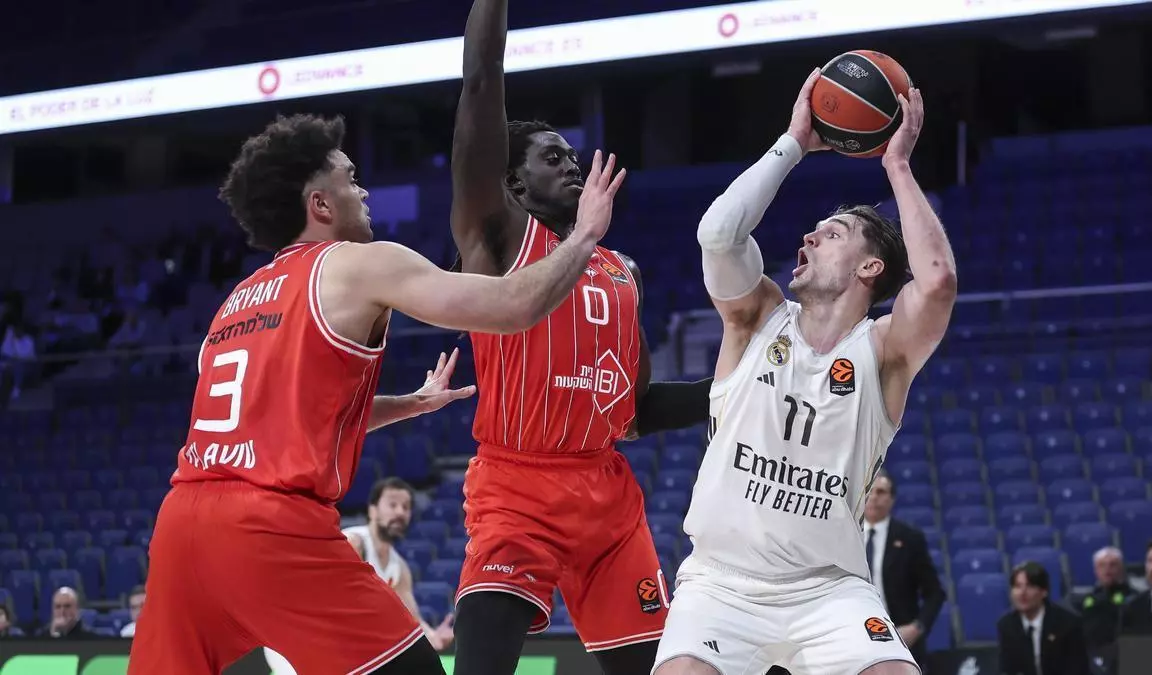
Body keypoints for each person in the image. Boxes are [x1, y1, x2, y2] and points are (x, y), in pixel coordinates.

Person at [127, 113, 628, 675]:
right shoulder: (359, 264)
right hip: (271, 527)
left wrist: (410, 404)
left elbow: (285, 420)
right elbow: (514, 307)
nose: (363, 191)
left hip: (181, 527)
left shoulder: (236, 301)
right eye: (351, 178)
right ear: (321, 205)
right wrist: (585, 234)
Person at [653, 69, 955, 675]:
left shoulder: (884, 351)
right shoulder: (756, 317)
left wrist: (897, 166)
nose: (810, 237)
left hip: (829, 589)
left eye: (832, 234)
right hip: (721, 584)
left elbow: (938, 281)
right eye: (814, 231)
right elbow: (718, 234)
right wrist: (794, 143)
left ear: (870, 267)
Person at [447, 2, 713, 674]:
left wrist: (737, 390)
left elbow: (635, 412)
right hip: (516, 489)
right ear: (513, 182)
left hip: (606, 498)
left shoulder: (623, 270)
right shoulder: (498, 238)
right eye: (552, 157)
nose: (573, 164)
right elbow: (480, 81)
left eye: (574, 154)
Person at [263, 475, 457, 673]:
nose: (400, 512)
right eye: (393, 505)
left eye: (406, 507)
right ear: (372, 510)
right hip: (295, 635)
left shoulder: (399, 567)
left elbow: (413, 618)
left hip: (327, 643)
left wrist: (433, 637)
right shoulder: (352, 543)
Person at [862, 470, 946, 668]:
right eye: (869, 491)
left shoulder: (910, 538)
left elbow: (935, 593)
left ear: (892, 499)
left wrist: (917, 627)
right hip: (856, 636)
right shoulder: (847, 535)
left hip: (900, 638)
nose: (873, 497)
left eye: (881, 492)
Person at [997, 562, 1089, 675]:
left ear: (1044, 592)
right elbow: (1007, 669)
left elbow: (1078, 669)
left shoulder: (1068, 623)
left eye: (1030, 586)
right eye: (1017, 586)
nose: (1022, 593)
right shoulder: (1007, 625)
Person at [1069, 546, 1133, 673]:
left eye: (1113, 565)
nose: (1107, 569)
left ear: (1121, 568)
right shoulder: (1084, 600)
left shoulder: (1134, 599)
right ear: (1095, 570)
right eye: (1102, 565)